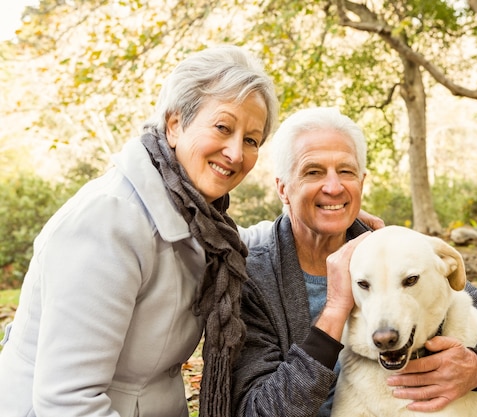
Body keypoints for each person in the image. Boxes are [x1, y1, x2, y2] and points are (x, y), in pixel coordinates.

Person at [0, 45, 279, 417]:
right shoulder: (109, 222)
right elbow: (68, 402)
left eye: (251, 139)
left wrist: (325, 222)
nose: (235, 153)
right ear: (175, 124)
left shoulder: (199, 219)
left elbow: (239, 242)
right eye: (223, 127)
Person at [233, 107, 477, 416]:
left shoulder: (391, 252)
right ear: (283, 188)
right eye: (313, 172)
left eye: (346, 172)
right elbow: (259, 410)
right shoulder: (256, 277)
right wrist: (334, 311)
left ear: (361, 182)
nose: (333, 187)